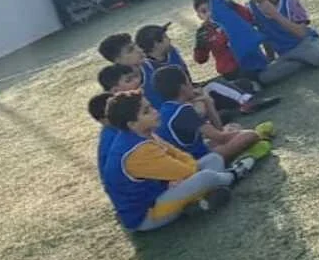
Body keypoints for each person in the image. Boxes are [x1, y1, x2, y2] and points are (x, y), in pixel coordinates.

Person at [96, 91, 253, 232]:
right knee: (205, 176)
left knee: (213, 158)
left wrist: (181, 174)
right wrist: (183, 174)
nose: (155, 112)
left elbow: (181, 156)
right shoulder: (137, 151)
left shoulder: (144, 134)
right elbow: (187, 170)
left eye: (150, 106)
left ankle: (200, 202)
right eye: (146, 111)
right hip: (147, 215)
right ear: (132, 124)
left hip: (162, 193)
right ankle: (234, 174)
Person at [134, 23, 275, 116]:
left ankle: (227, 109)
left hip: (189, 94)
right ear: (155, 44)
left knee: (242, 84)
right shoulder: (144, 68)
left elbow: (187, 78)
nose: (169, 39)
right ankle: (246, 102)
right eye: (165, 37)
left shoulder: (172, 52)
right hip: (175, 106)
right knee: (214, 87)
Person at [151, 66, 271, 164]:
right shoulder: (182, 111)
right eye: (189, 82)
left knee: (232, 127)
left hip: (193, 153)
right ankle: (250, 145)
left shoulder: (167, 108)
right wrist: (247, 133)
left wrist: (209, 103)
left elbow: (218, 131)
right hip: (196, 161)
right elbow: (220, 137)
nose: (192, 86)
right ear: (183, 87)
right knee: (249, 135)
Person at [193, 0, 258, 85]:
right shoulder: (203, 32)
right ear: (199, 16)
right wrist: (199, 46)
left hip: (250, 62)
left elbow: (248, 18)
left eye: (212, 8)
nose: (209, 13)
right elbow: (201, 60)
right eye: (204, 11)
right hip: (230, 72)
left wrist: (233, 5)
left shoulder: (231, 18)